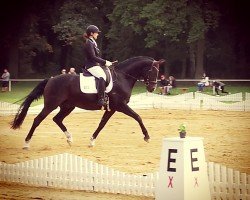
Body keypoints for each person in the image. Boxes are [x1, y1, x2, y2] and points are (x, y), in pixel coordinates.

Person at [84, 25, 112, 107]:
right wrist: (105, 62)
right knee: (102, 76)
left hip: (96, 65)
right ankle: (101, 99)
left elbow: (97, 57)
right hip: (91, 66)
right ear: (92, 33)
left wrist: (105, 63)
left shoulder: (92, 42)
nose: (98, 34)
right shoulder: (89, 42)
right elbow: (93, 57)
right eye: (96, 33)